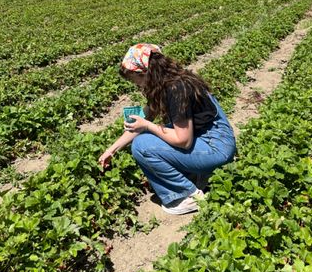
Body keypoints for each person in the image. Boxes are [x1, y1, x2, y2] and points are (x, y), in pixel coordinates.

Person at [98, 43, 236, 215]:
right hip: (213, 139)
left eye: (136, 81)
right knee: (161, 131)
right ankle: (199, 176)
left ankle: (187, 197)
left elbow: (183, 141)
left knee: (142, 145)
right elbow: (143, 120)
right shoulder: (170, 82)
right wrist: (111, 150)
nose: (137, 86)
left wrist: (147, 126)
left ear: (144, 73)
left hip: (215, 146)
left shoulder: (176, 89)